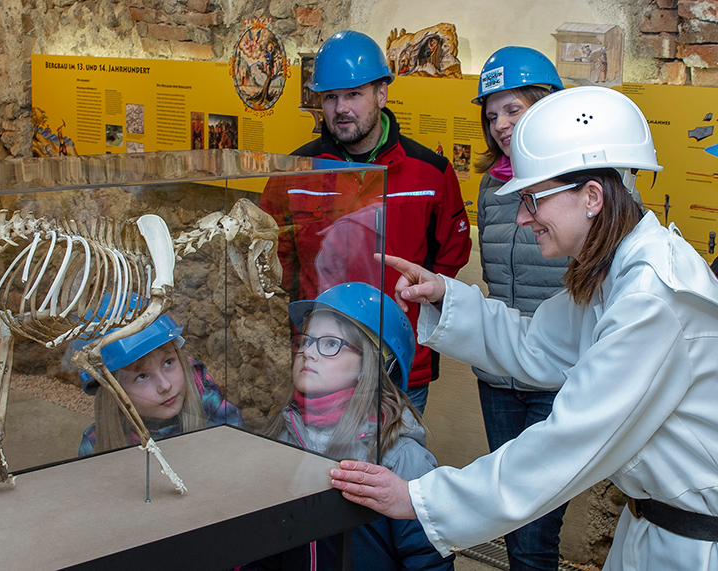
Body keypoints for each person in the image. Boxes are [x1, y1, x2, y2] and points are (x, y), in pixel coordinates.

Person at [329, 86, 718, 571]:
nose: (521, 217)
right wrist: (446, 296)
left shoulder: (650, 299)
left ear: (592, 197)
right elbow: (536, 344)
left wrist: (424, 499)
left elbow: (568, 441)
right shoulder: (618, 274)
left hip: (691, 548)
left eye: (533, 199)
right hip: (650, 534)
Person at [259, 30, 471, 414]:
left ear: (382, 94)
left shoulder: (431, 173)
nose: (341, 108)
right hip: (323, 359)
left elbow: (448, 262)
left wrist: (417, 325)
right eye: (330, 96)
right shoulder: (294, 174)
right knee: (324, 471)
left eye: (354, 94)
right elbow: (276, 267)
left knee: (397, 465)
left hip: (399, 362)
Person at [249, 281, 454, 571]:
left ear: (370, 364)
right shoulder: (283, 435)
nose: (308, 352)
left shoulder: (398, 456)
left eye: (331, 344)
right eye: (305, 340)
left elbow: (428, 560)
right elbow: (263, 548)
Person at [471, 46, 569, 571]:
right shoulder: (491, 185)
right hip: (499, 375)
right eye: (492, 116)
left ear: (546, 105)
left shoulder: (582, 183)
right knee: (507, 520)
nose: (502, 125)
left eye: (514, 110)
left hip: (557, 376)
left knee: (535, 533)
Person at [74, 304, 243, 456]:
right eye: (142, 376)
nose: (165, 385)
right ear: (112, 391)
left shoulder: (213, 409)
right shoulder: (95, 445)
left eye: (168, 362)